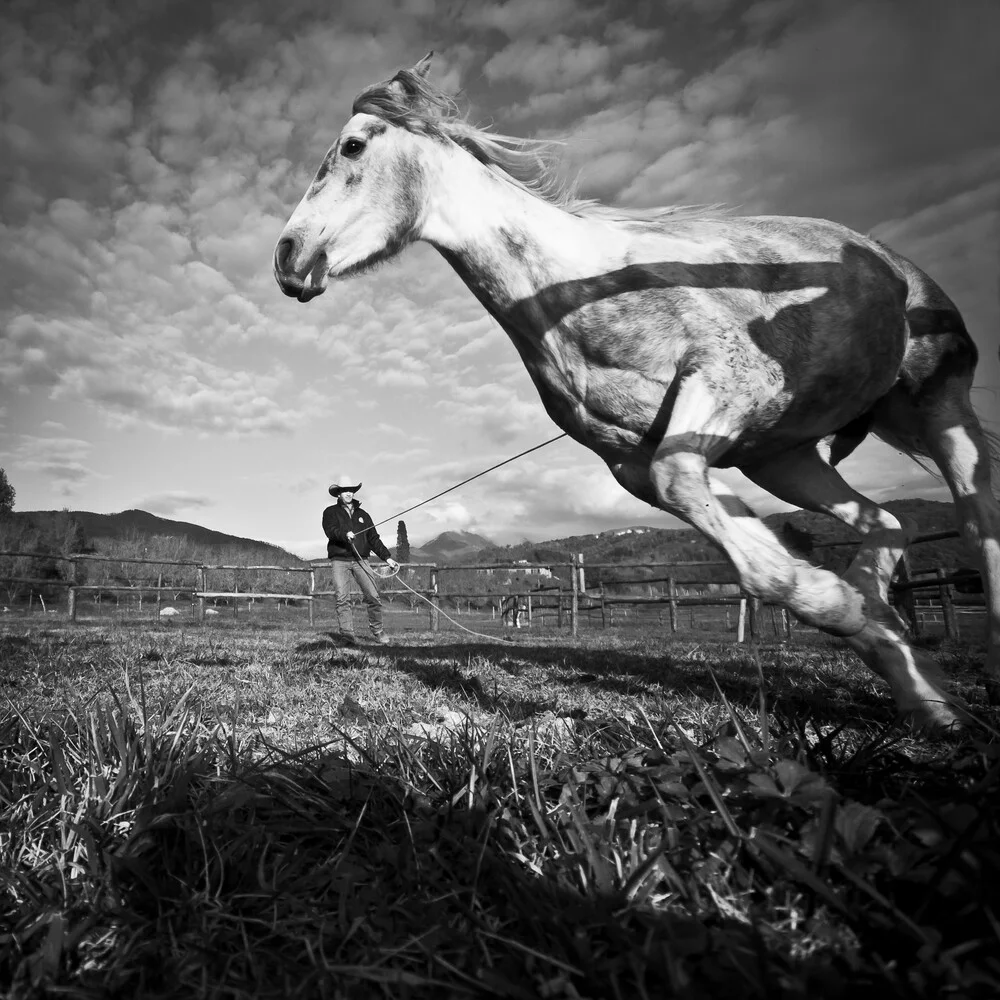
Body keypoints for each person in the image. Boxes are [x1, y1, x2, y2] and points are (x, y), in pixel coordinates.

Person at [323, 474, 398, 645]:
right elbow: (330, 531)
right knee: (342, 598)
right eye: (344, 490)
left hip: (361, 560)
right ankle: (347, 635)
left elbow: (373, 539)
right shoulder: (330, 513)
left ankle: (378, 631)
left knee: (373, 595)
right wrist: (344, 535)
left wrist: (387, 558)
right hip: (339, 560)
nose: (348, 493)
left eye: (351, 490)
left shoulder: (364, 515)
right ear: (338, 493)